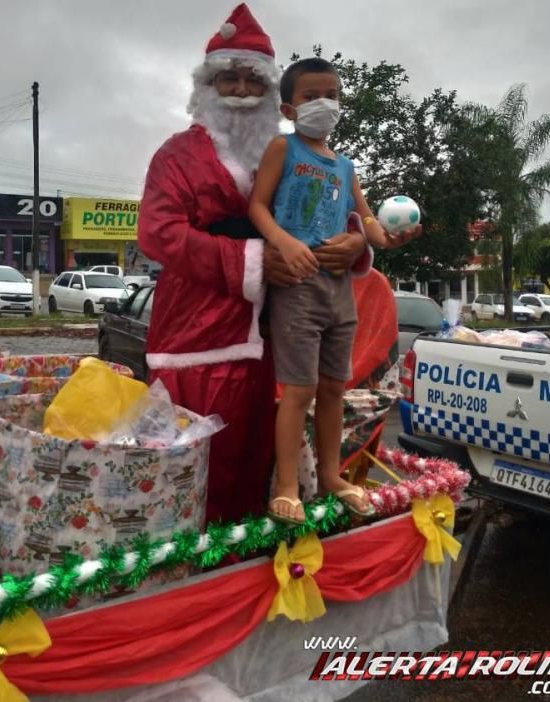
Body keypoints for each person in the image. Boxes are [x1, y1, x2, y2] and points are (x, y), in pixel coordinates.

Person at [137, 4, 372, 526]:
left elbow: (331, 212)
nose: (241, 91)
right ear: (207, 85)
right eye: (229, 79)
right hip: (195, 342)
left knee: (256, 468)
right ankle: (186, 583)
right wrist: (253, 260)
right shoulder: (177, 156)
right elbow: (159, 231)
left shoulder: (291, 154)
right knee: (192, 478)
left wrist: (355, 245)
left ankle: (246, 573)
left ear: (273, 97)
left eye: (252, 81)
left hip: (271, 338)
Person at [248, 57, 422, 524]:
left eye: (333, 95)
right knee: (299, 390)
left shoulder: (345, 167)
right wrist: (283, 242)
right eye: (312, 96)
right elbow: (258, 207)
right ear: (289, 108)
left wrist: (388, 237)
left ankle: (330, 475)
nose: (325, 104)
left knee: (333, 389)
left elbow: (367, 223)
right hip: (298, 287)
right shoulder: (283, 150)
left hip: (339, 292)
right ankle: (287, 485)